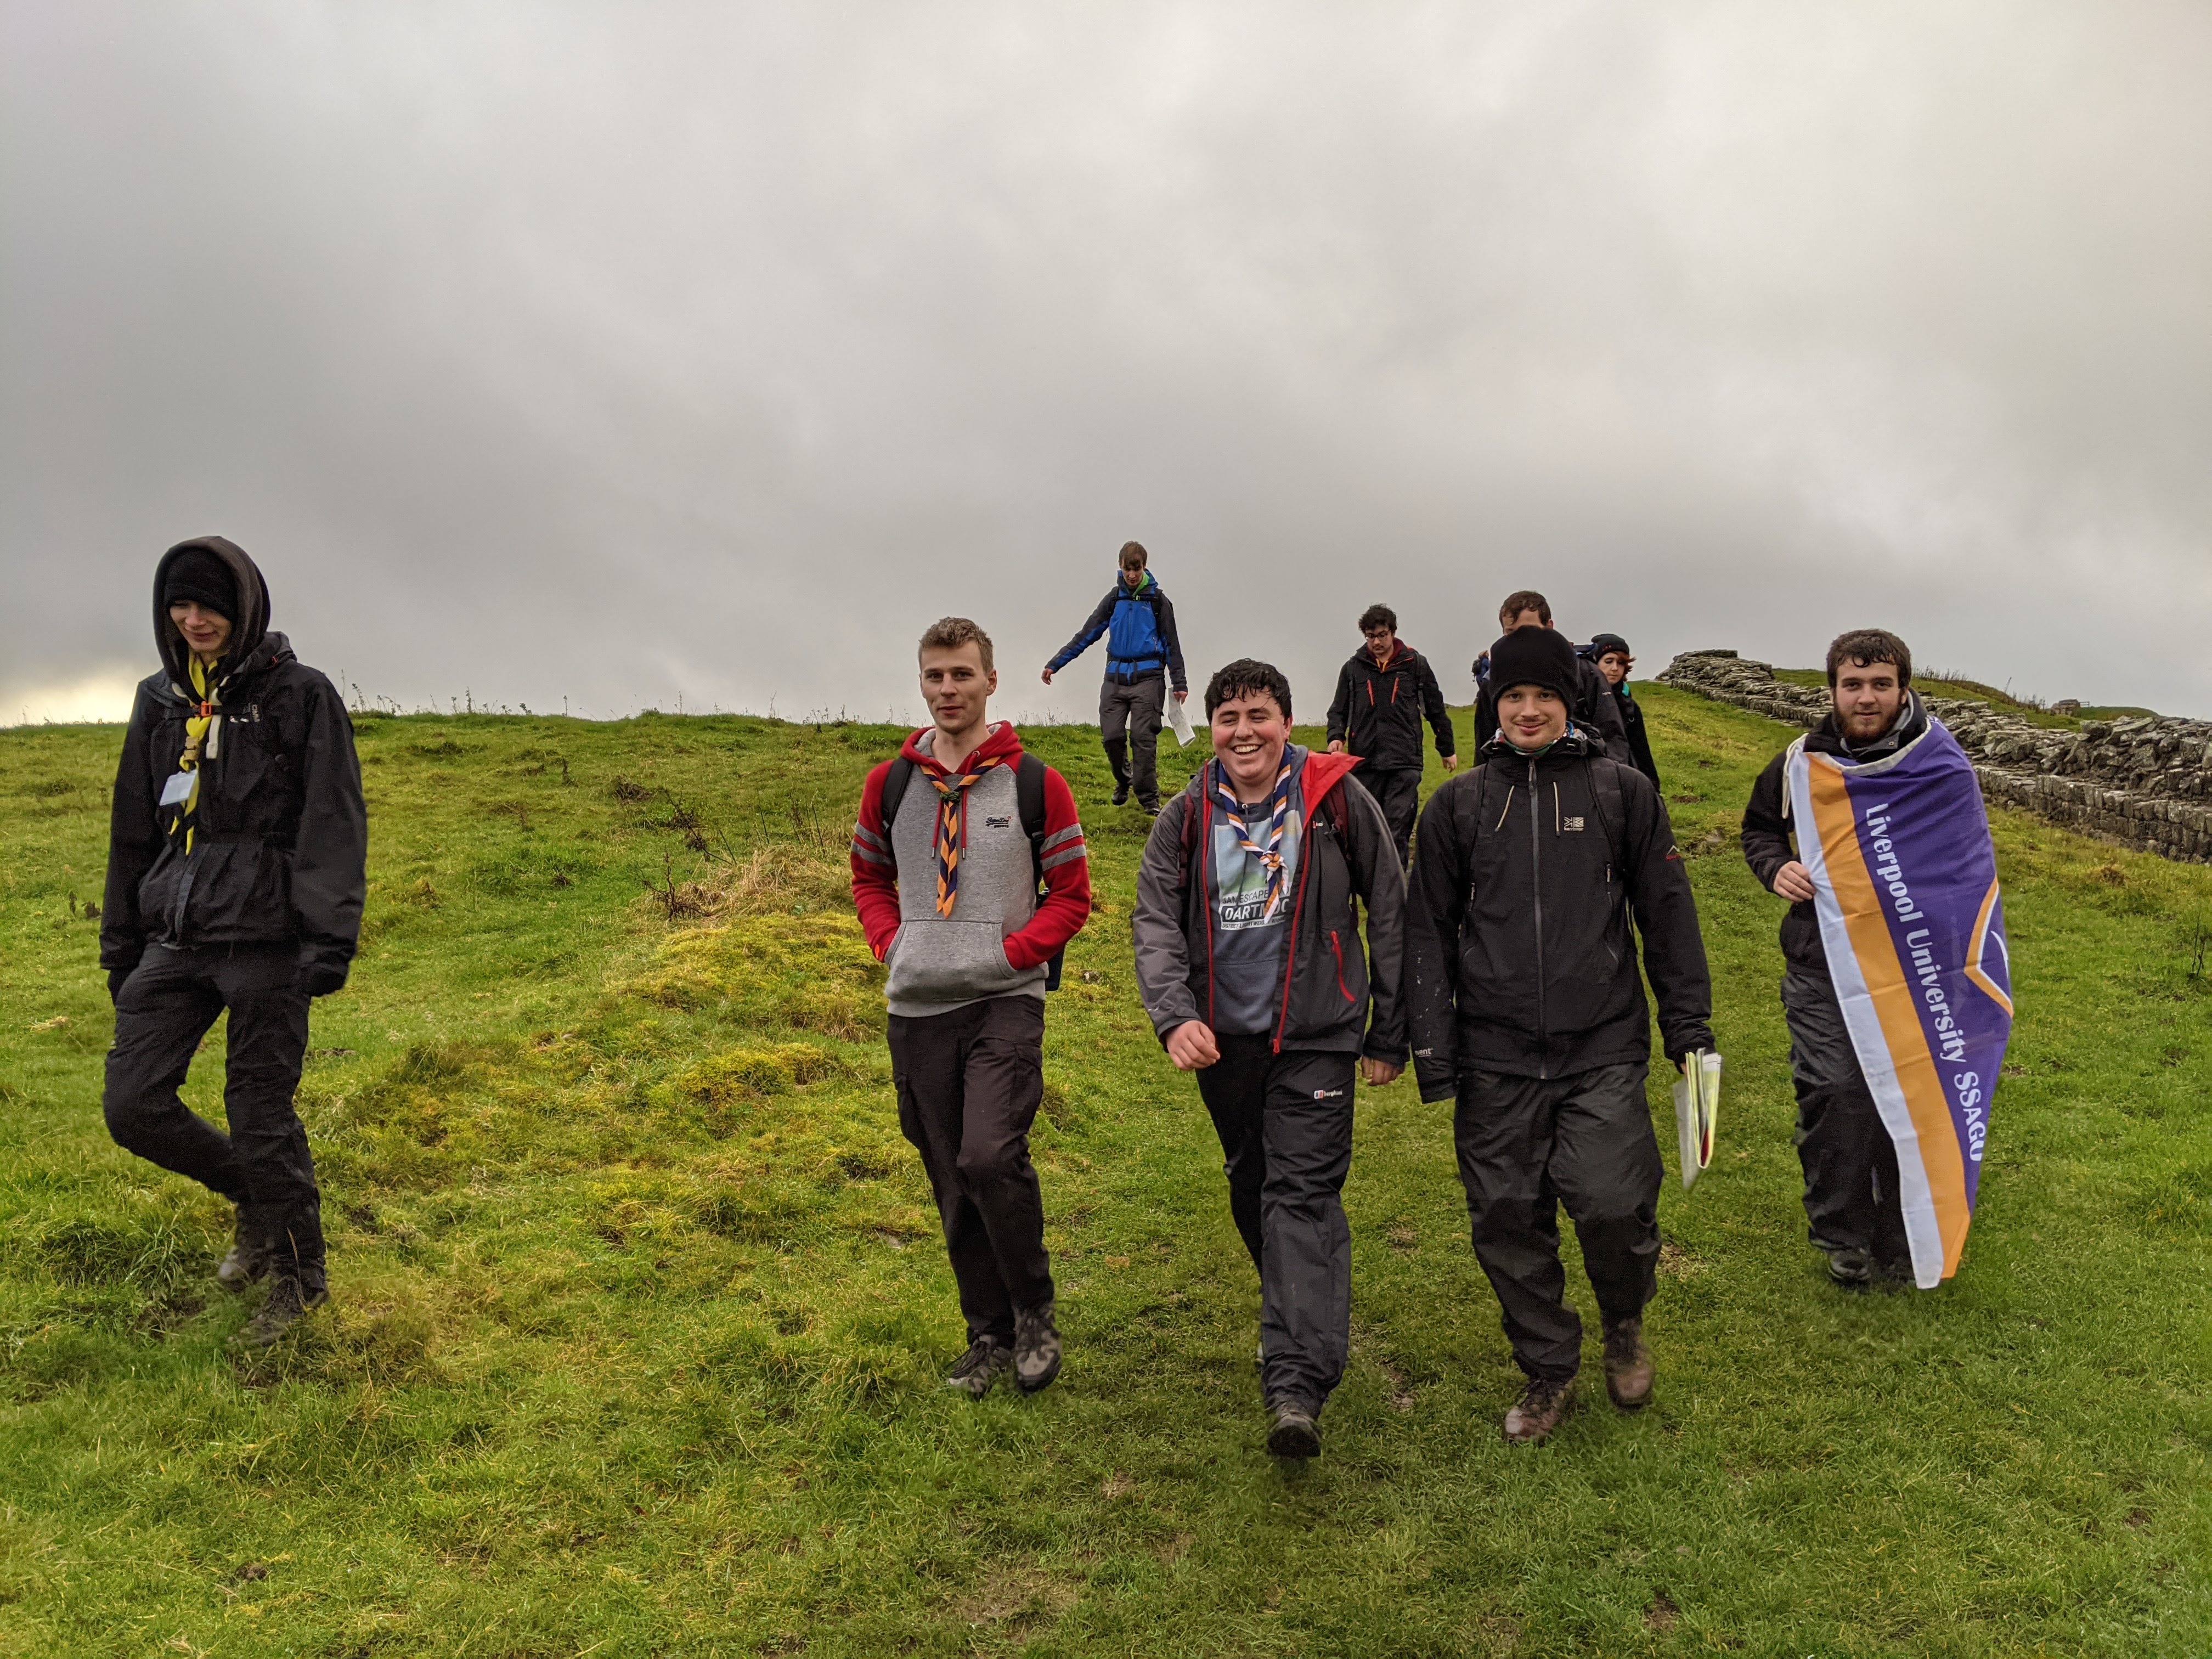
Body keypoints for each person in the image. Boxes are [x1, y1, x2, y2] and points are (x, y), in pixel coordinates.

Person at [1407, 625, 1713, 1443]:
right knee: (1506, 1218)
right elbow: (1425, 931)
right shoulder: (1459, 805)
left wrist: (1688, 1027)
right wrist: (1432, 1047)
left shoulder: (1622, 794)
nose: (1530, 710)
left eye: (1545, 696)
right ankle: (1548, 1368)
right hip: (1493, 1055)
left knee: (1614, 1204)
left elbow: (1668, 917)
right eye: (1514, 697)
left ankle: (1622, 1321)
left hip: (1602, 1045)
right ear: (1494, 706)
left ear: (1570, 701)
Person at [1132, 658, 1408, 1460]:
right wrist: (1174, 1016)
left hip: (1318, 1033)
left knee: (1302, 1193)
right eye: (1229, 717)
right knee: (1253, 1183)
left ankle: (1295, 1384)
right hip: (1225, 1041)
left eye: (1259, 714)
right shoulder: (1187, 814)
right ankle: (1292, 1305)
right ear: (1211, 728)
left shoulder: (1334, 799)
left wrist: (1387, 1030)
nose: (1244, 731)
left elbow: (1388, 910)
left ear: (1287, 721)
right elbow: (1153, 921)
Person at [99, 537, 368, 1348]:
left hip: (267, 939)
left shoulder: (300, 696)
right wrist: (121, 943)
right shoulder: (160, 701)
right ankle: (255, 1200)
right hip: (176, 934)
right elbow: (131, 827)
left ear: (244, 605)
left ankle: (297, 1277)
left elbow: (333, 820)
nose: (194, 620)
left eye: (209, 605)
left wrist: (327, 939)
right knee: (133, 1105)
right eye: (180, 606)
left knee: (259, 1112)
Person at [851, 617, 1092, 1397]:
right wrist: (894, 946)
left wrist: (1012, 955)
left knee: (990, 1156)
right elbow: (868, 878)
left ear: (991, 681)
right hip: (918, 1007)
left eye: (962, 675)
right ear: (921, 683)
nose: (948, 690)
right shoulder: (889, 784)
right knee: (951, 1176)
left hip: (1002, 1003)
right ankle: (986, 1332)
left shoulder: (1035, 783)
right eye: (934, 676)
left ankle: (1033, 1310)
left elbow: (1073, 896)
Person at [1739, 629, 1928, 1289]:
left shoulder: (1936, 762)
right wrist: (1776, 867)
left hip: (1913, 966)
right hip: (1821, 961)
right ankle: (1843, 1234)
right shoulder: (1799, 760)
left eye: (1881, 684)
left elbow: (1965, 857)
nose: (1867, 697)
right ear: (1833, 690)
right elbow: (1759, 828)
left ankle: (1905, 1236)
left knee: (1905, 1097)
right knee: (1837, 1092)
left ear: (1903, 686)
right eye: (1853, 684)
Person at [1042, 541, 1188, 814]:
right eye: (1127, 569)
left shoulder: (1158, 601)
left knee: (1144, 739)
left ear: (1144, 567)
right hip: (1115, 680)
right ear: (1120, 568)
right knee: (1112, 737)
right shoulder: (1114, 599)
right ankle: (1124, 780)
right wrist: (1056, 663)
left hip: (1149, 679)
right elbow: (1087, 634)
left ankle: (1149, 800)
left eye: (1137, 568)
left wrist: (1179, 682)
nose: (1132, 574)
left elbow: (1172, 644)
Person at [1324, 603, 1458, 866]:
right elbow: (1338, 709)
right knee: (1370, 830)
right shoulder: (1353, 669)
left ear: (1393, 633)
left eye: (1382, 635)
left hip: (1404, 761)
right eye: (1371, 636)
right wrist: (1335, 736)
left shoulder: (1415, 664)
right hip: (1366, 762)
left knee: (1397, 830)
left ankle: (1395, 895)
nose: (1377, 642)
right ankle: (1374, 893)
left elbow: (1435, 709)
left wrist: (1447, 749)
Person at [1470, 590, 1629, 755]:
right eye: (1512, 633)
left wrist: (1606, 777)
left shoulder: (1586, 673)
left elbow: (1613, 737)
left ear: (1549, 627)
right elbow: (1484, 745)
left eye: (1530, 630)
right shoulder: (1492, 680)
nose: (1521, 640)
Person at [1584, 633, 1661, 789]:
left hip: (1624, 779)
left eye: (1620, 663)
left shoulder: (1629, 705)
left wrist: (1653, 790)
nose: (1615, 668)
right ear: (1595, 663)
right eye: (1608, 661)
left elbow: (1642, 751)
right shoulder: (1580, 700)